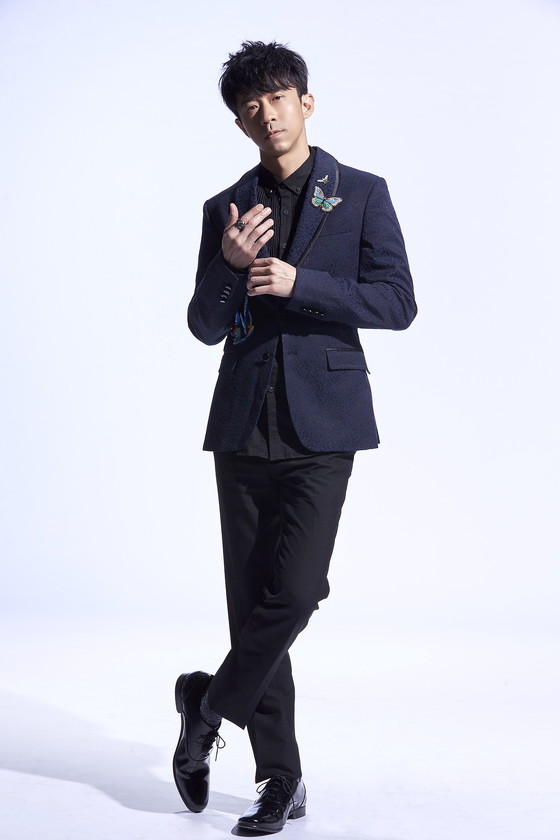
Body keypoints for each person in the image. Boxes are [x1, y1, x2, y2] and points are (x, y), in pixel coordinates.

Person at [173, 40, 417, 833]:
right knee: (252, 608)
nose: (266, 113)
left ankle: (206, 704)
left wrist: (300, 282)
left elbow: (397, 302)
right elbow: (204, 324)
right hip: (242, 425)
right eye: (250, 106)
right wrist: (228, 264)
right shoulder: (226, 207)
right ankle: (281, 779)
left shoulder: (363, 193)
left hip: (324, 423)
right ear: (240, 124)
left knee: (298, 592)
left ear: (305, 103)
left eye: (277, 97)